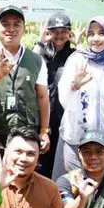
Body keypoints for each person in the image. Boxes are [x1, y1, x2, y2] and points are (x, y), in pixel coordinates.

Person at [0, 5, 50, 166]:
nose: (11, 29)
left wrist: (44, 131)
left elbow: (42, 97)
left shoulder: (36, 60)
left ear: (24, 29)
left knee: (25, 180)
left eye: (16, 24)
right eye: (5, 24)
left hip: (27, 131)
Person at [55, 17, 104, 180]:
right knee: (73, 183)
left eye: (101, 33)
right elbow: (64, 99)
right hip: (76, 136)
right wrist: (75, 85)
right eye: (91, 34)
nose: (95, 38)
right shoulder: (77, 59)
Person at [33, 13, 75, 176]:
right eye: (54, 31)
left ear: (69, 32)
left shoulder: (73, 55)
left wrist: (77, 45)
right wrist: (40, 41)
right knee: (42, 157)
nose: (59, 35)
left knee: (61, 158)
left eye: (63, 31)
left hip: (64, 115)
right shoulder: (40, 53)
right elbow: (29, 67)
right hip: (42, 113)